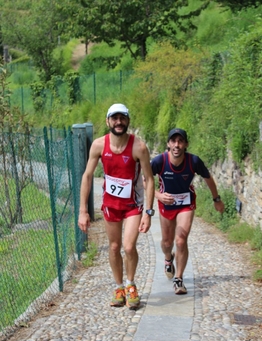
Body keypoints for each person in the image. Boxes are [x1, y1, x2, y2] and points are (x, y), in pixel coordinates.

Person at [78, 103, 155, 309]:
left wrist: (148, 212)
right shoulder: (98, 145)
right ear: (108, 121)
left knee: (129, 246)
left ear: (128, 121)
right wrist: (83, 210)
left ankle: (131, 285)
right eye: (115, 118)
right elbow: (87, 176)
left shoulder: (139, 147)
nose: (118, 122)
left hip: (132, 205)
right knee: (113, 247)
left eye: (122, 118)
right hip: (111, 204)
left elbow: (149, 179)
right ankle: (119, 287)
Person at [149, 127, 224, 295]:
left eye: (180, 141)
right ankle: (168, 259)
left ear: (186, 144)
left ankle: (179, 279)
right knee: (167, 243)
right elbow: (143, 180)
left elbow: (208, 179)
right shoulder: (159, 161)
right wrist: (158, 195)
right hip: (166, 204)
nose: (177, 145)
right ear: (168, 144)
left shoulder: (194, 161)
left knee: (181, 240)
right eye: (173, 141)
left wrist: (216, 199)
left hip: (185, 203)